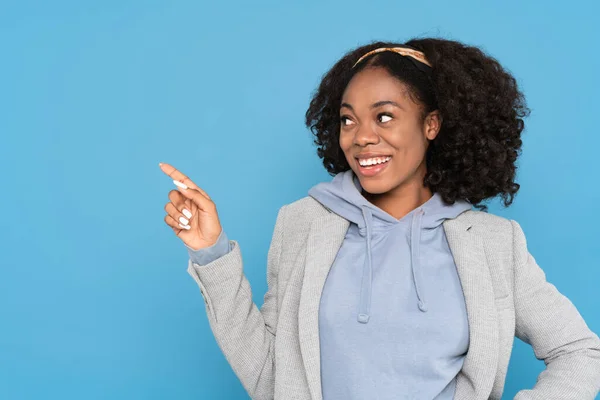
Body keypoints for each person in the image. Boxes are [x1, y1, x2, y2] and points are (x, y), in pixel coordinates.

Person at [159, 38, 600, 400]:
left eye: (384, 116)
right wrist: (210, 253)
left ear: (431, 124)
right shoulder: (303, 224)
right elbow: (271, 377)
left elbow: (582, 352)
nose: (362, 136)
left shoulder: (491, 243)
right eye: (348, 120)